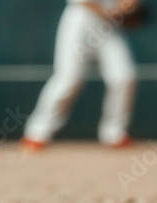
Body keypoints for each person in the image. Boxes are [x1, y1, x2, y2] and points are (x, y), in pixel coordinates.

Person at [22, 0, 139, 150]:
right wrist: (110, 12)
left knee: (124, 76)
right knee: (69, 78)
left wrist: (129, 5)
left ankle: (114, 133)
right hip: (81, 20)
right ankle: (37, 133)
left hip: (110, 25)